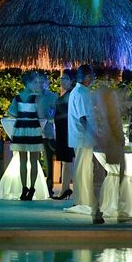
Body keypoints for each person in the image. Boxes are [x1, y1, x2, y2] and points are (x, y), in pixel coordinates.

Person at [68, 65, 103, 223]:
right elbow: (83, 118)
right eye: (93, 76)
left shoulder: (79, 92)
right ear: (87, 77)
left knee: (83, 168)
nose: (94, 78)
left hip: (81, 136)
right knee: (83, 169)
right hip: (83, 137)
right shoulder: (81, 93)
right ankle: (82, 199)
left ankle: (82, 198)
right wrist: (95, 135)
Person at [8, 71, 44, 200]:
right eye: (35, 82)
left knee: (23, 160)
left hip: (21, 127)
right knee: (33, 160)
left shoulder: (17, 97)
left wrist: (21, 116)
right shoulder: (37, 97)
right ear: (28, 83)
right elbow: (40, 115)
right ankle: (32, 188)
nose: (37, 84)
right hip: (33, 128)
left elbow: (11, 112)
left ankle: (24, 188)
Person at [52, 70, 76, 200]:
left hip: (68, 130)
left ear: (72, 80)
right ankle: (64, 188)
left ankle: (67, 189)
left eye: (65, 78)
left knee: (69, 160)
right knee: (66, 160)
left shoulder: (72, 94)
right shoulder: (65, 94)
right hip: (62, 129)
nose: (62, 81)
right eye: (62, 78)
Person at [37, 73, 58, 197]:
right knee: (34, 159)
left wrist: (50, 117)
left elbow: (56, 113)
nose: (40, 84)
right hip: (34, 132)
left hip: (48, 133)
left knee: (48, 160)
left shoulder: (52, 97)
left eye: (42, 82)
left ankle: (49, 186)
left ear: (47, 83)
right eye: (38, 82)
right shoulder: (32, 96)